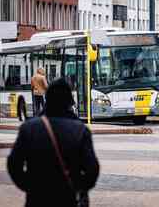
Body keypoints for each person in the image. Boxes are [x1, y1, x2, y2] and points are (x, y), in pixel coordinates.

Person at [7, 78, 100, 207]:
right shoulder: (80, 130)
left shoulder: (29, 128)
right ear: (69, 102)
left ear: (48, 99)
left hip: (37, 199)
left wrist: (30, 186)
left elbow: (13, 164)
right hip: (68, 199)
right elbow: (92, 170)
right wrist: (78, 186)